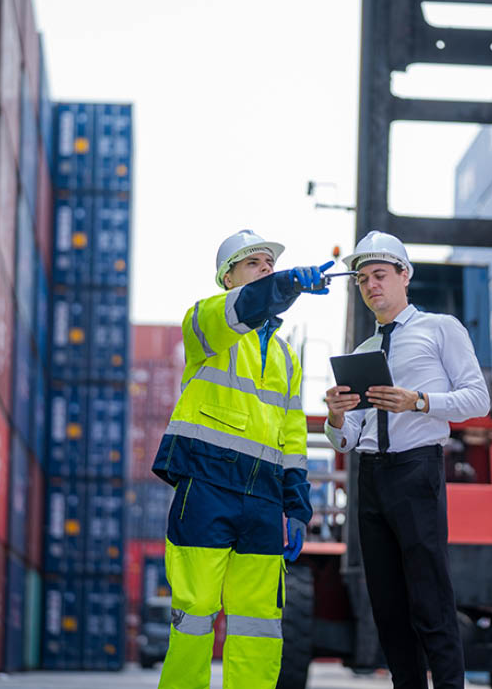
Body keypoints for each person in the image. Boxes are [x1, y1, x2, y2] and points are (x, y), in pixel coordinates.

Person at [152, 229, 332, 689]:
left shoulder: (287, 360)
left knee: (259, 625)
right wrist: (286, 285)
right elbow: (242, 310)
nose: (266, 269)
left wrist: (296, 508)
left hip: (266, 502)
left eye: (269, 265)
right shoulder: (206, 325)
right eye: (254, 264)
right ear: (227, 278)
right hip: (207, 487)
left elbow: (293, 438)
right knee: (194, 615)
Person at [324, 231, 490, 689]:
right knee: (389, 608)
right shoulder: (360, 354)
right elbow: (349, 439)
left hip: (417, 470)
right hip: (371, 477)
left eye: (380, 275)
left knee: (430, 600)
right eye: (362, 280)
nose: (371, 286)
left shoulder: (441, 329)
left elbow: (479, 399)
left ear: (405, 276)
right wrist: (337, 418)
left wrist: (417, 402)